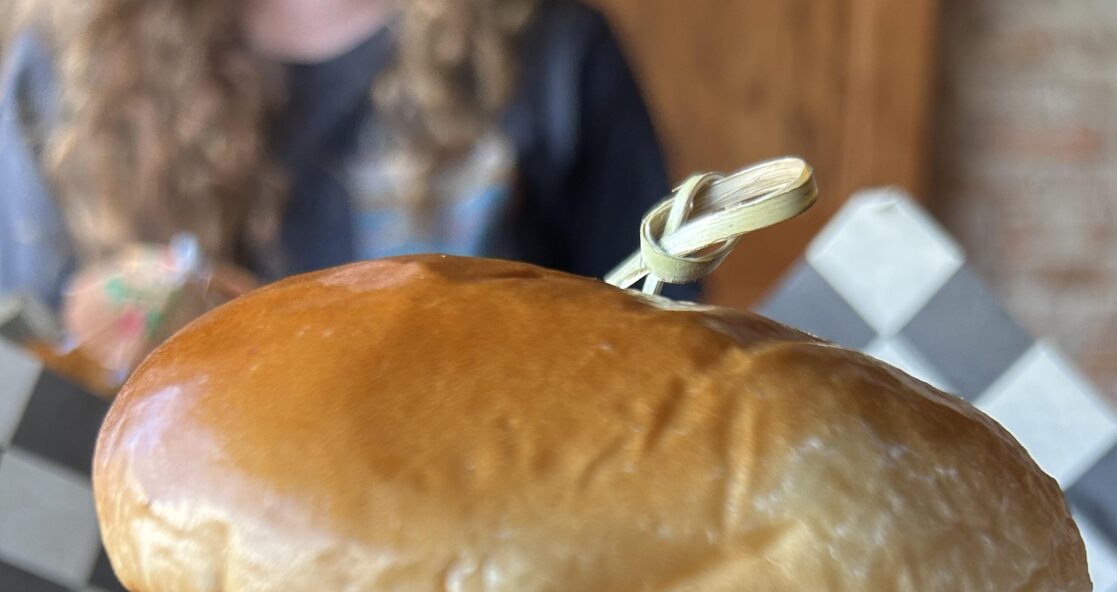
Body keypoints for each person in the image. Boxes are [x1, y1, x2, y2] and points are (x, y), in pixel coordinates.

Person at [0, 0, 674, 314]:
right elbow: (29, 341)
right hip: (142, 570)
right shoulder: (72, 67)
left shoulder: (552, 49)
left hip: (476, 555)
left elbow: (656, 331)